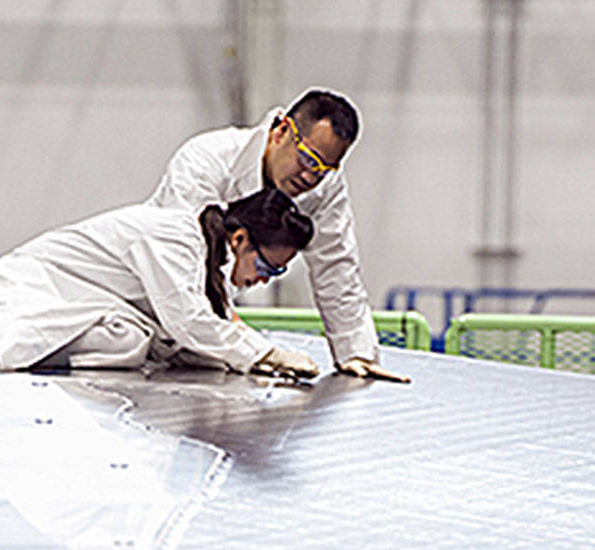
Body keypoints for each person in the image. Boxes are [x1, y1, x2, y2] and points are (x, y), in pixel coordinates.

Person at [147, 88, 409, 383]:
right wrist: (255, 349)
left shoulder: (323, 187)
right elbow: (183, 269)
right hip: (152, 306)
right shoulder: (206, 161)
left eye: (324, 169)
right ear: (282, 130)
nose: (310, 177)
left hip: (200, 325)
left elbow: (336, 268)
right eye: (307, 159)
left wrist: (356, 353)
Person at [0, 188, 321, 378]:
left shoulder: (209, 263)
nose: (263, 280)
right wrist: (266, 354)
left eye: (276, 273)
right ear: (239, 239)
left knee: (132, 340)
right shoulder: (175, 239)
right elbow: (189, 322)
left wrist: (253, 360)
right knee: (126, 342)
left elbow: (207, 333)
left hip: (83, 304)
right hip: (32, 293)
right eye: (267, 267)